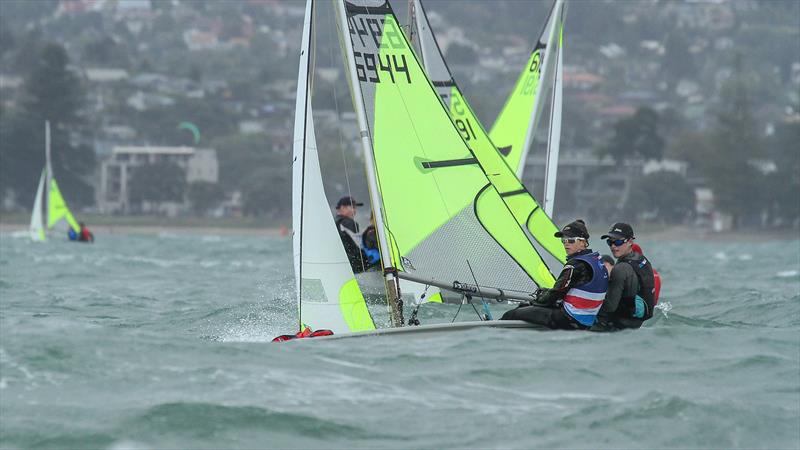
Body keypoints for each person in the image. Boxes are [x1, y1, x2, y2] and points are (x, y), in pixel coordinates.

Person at [501, 219, 608, 330]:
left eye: (571, 240)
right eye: (564, 240)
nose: (566, 243)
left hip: (569, 319)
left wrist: (536, 301)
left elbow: (555, 294)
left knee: (512, 314)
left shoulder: (575, 265)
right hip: (587, 321)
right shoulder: (597, 260)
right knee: (529, 307)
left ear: (583, 242)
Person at [592, 223, 656, 331]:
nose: (613, 246)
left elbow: (609, 307)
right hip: (639, 323)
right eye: (610, 242)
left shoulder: (620, 269)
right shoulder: (642, 260)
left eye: (618, 241)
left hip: (620, 327)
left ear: (630, 242)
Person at [334, 196, 368, 273]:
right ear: (343, 207)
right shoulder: (348, 223)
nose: (355, 211)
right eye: (352, 207)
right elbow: (358, 246)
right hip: (353, 266)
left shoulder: (333, 222)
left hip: (340, 263)